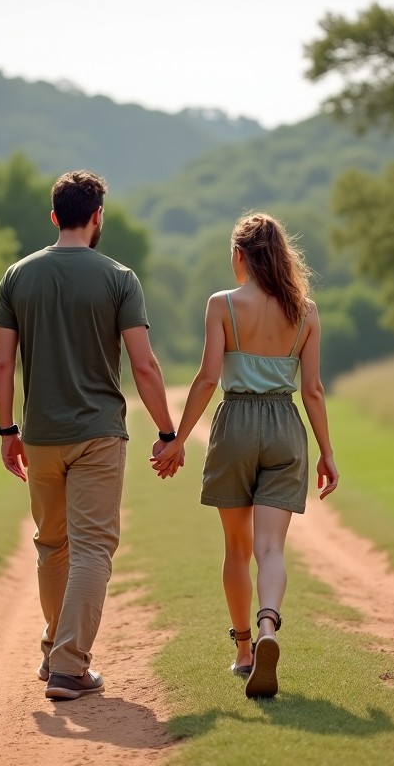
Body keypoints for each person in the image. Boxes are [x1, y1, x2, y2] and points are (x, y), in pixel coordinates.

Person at [0, 169, 182, 701]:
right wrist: (168, 432)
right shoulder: (120, 278)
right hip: (98, 434)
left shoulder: (16, 277)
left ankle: (55, 649)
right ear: (97, 216)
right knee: (93, 548)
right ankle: (70, 668)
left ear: (55, 216)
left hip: (41, 435)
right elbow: (144, 367)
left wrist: (8, 429)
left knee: (52, 545)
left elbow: (3, 365)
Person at [151, 211, 339, 699]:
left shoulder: (222, 305)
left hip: (234, 424)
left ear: (239, 255)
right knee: (271, 548)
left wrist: (175, 440)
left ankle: (243, 651)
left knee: (236, 549)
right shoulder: (307, 312)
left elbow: (208, 379)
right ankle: (269, 626)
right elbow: (313, 390)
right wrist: (326, 453)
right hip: (285, 427)